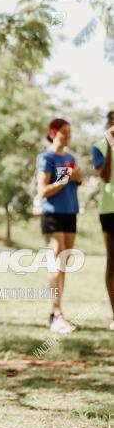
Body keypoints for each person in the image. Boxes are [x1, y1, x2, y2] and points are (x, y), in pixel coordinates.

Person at [37, 119, 83, 334]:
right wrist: (63, 179)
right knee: (56, 261)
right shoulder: (46, 157)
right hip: (52, 214)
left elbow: (79, 177)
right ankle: (56, 314)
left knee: (64, 262)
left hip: (70, 213)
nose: (67, 135)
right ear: (53, 133)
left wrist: (73, 175)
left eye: (69, 132)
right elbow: (42, 191)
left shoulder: (70, 158)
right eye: (63, 132)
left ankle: (58, 312)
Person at [90, 110, 114, 330]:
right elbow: (105, 175)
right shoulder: (99, 146)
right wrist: (110, 145)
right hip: (109, 210)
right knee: (112, 262)